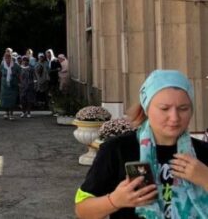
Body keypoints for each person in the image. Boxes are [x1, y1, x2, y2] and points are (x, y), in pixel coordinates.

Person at [75, 70, 208, 218]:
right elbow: (82, 210)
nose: (174, 117)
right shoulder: (117, 150)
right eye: (164, 108)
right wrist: (115, 201)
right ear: (146, 108)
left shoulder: (203, 153)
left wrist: (205, 179)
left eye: (183, 108)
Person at [0, 52, 21, 120]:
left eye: (9, 57)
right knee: (5, 99)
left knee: (12, 99)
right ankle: (6, 113)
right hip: (4, 84)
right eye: (6, 57)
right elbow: (0, 73)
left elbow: (19, 74)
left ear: (11, 57)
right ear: (4, 58)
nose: (8, 58)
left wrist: (20, 82)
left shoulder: (15, 65)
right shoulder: (2, 65)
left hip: (13, 84)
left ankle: (11, 114)